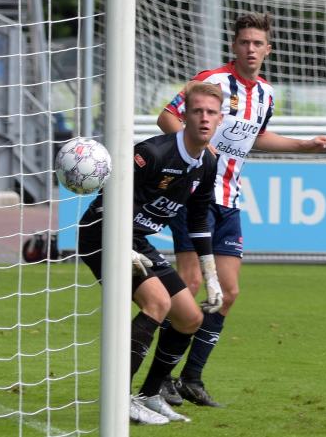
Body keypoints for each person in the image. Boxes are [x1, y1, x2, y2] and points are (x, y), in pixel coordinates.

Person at [156, 13, 326, 408]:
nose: (250, 49)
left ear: (267, 50)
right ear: (234, 46)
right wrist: (199, 148)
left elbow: (258, 137)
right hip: (194, 197)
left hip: (230, 201)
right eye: (244, 42)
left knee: (229, 292)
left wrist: (304, 145)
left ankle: (192, 377)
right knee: (189, 287)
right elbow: (167, 116)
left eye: (257, 44)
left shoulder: (266, 95)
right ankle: (161, 378)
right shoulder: (214, 82)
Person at [77, 81, 225, 425]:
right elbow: (110, 200)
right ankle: (118, 397)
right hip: (103, 233)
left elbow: (199, 219)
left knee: (190, 317)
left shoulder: (207, 164)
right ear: (184, 116)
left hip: (138, 241)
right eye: (198, 111)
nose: (204, 118)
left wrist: (211, 275)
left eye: (211, 112)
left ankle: (150, 394)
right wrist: (121, 245)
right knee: (157, 302)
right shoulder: (153, 152)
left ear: (219, 120)